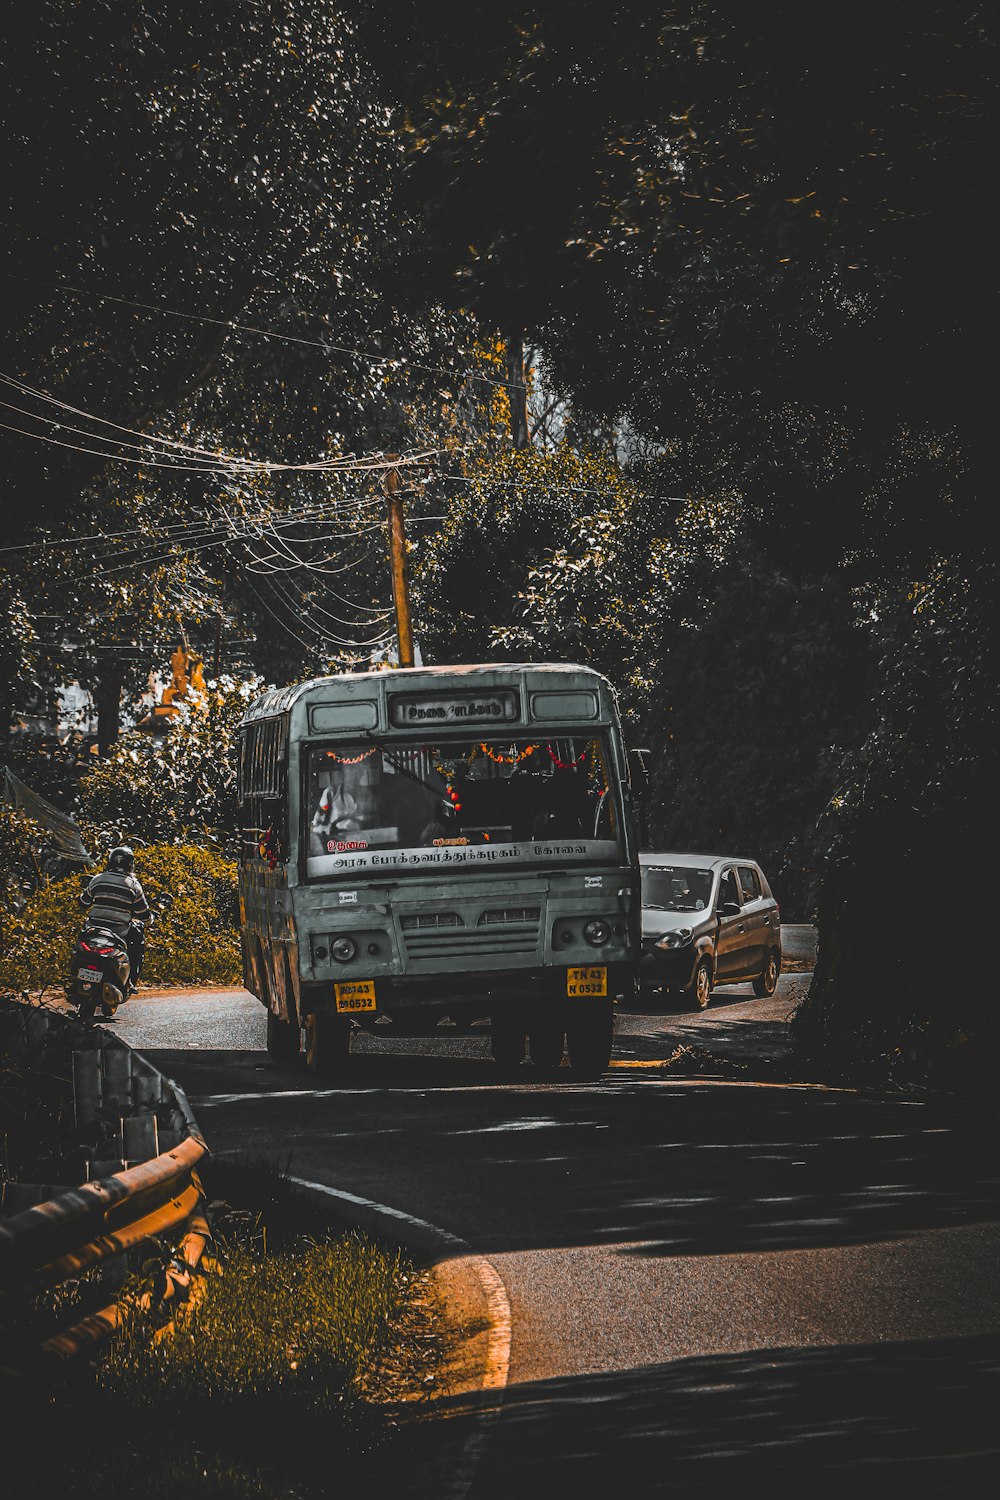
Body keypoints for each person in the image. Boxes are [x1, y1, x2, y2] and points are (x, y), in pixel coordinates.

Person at [79, 844, 151, 995]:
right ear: (130, 864)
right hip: (119, 931)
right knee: (138, 944)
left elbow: (83, 903)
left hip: (93, 927)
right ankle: (130, 982)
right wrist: (149, 920)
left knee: (78, 942)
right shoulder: (133, 886)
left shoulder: (97, 879)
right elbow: (143, 914)